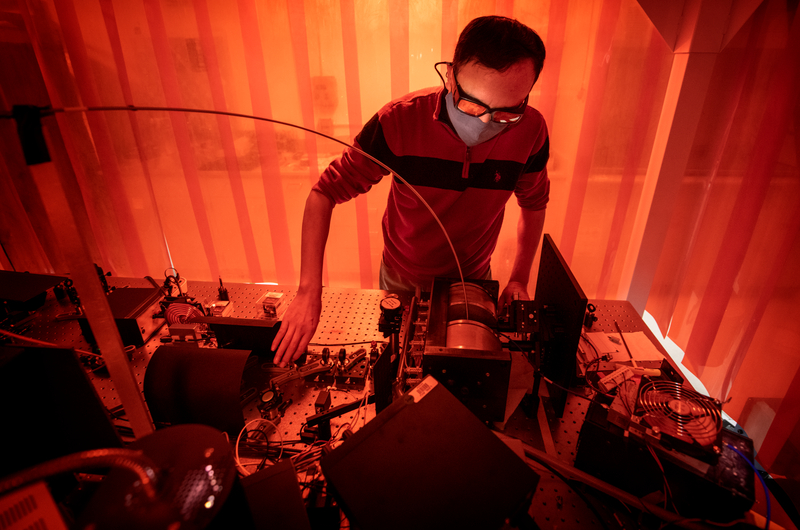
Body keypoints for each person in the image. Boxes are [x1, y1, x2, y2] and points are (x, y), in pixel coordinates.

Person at [272, 15, 549, 366]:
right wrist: (309, 291)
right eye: (471, 105)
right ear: (450, 75)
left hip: (473, 278)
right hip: (401, 276)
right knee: (401, 368)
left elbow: (534, 202)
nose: (483, 124)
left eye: (505, 115)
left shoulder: (532, 130)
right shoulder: (398, 121)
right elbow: (324, 193)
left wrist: (520, 279)